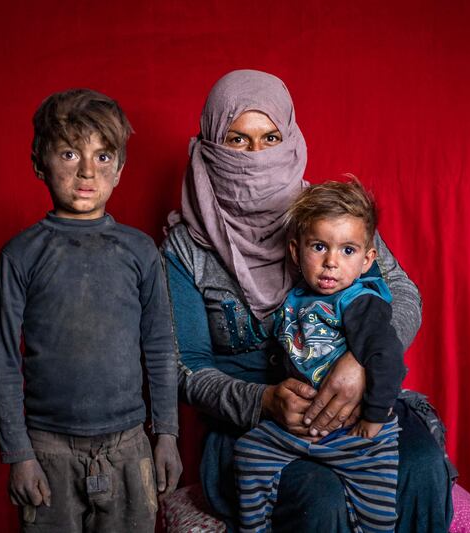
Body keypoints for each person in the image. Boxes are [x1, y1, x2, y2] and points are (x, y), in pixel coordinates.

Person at [161, 69, 453, 532]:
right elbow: (184, 365)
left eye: (271, 137)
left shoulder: (327, 217)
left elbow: (399, 291)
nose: (257, 156)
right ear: (211, 146)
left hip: (351, 404)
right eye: (238, 140)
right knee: (321, 498)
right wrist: (261, 400)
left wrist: (360, 364)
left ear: (291, 138)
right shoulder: (186, 247)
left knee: (421, 465)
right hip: (254, 427)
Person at [0, 88, 181, 533]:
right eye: (71, 154)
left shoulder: (140, 252)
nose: (88, 172)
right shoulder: (21, 254)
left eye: (104, 156)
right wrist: (18, 453)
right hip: (48, 449)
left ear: (121, 168)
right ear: (40, 162)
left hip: (129, 447)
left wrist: (166, 435)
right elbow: (3, 358)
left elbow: (160, 346)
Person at [235, 179, 404, 533]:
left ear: (367, 259)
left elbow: (388, 357)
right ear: (296, 253)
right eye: (319, 247)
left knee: (376, 516)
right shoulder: (297, 298)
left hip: (357, 434)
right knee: (249, 453)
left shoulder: (359, 302)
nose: (330, 262)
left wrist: (373, 418)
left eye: (347, 251)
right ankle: (255, 527)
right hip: (301, 427)